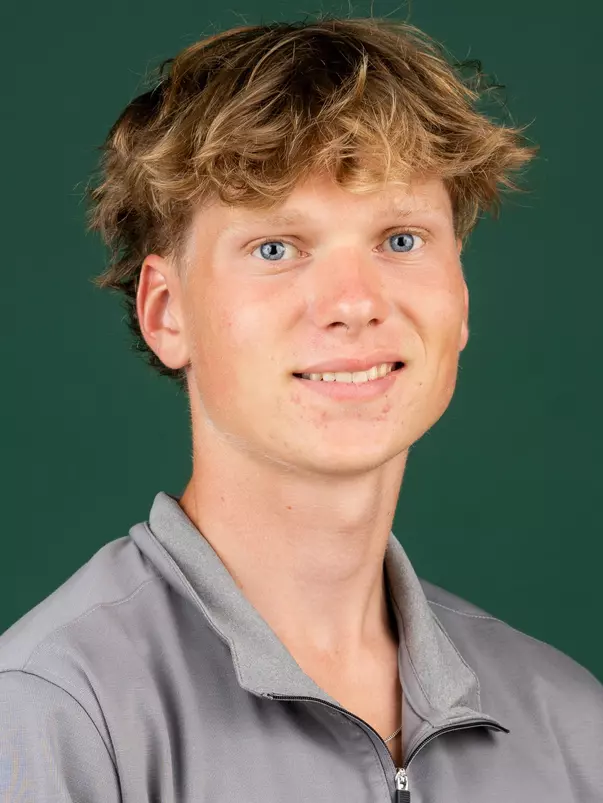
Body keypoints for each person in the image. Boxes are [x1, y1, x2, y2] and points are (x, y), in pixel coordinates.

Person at [1, 15, 601, 803]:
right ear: (165, 311)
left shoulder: (570, 725)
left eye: (399, 239)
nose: (354, 303)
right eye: (276, 248)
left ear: (459, 298)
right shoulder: (50, 713)